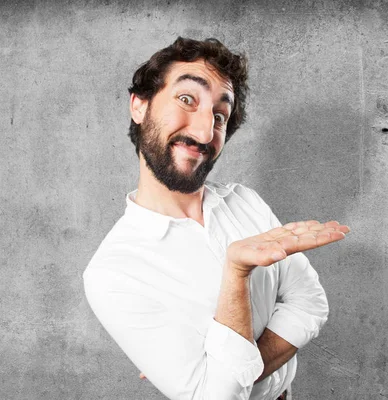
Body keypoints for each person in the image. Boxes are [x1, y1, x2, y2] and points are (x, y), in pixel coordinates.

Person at [83, 37, 350, 400]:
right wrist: (236, 272)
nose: (205, 132)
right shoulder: (113, 272)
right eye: (186, 99)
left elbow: (311, 303)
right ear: (139, 106)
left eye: (219, 115)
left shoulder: (245, 202)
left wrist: (229, 368)